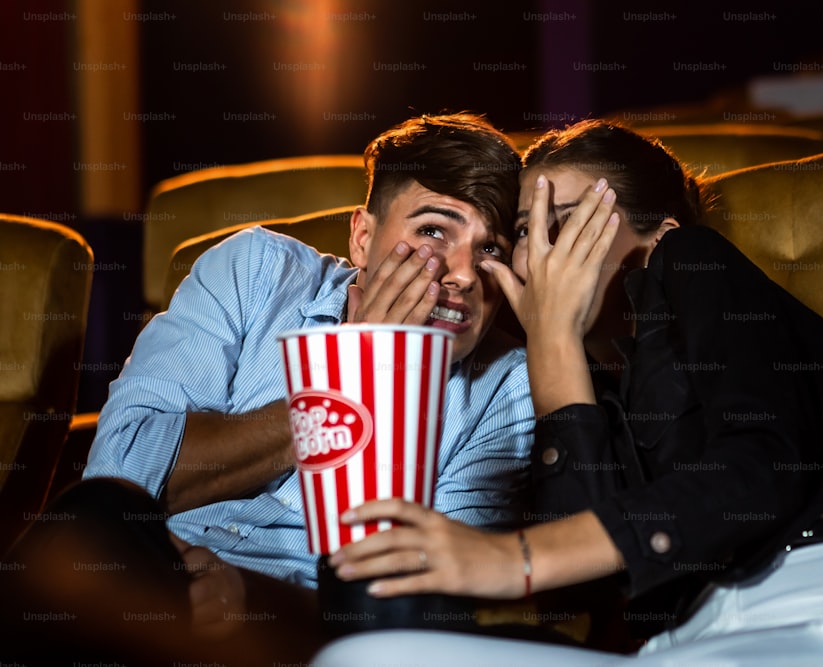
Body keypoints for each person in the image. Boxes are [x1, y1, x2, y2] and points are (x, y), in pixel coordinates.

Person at [315, 120, 823, 666]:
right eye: (524, 231)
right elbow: (580, 590)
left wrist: (508, 559)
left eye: (569, 221)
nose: (539, 253)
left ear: (658, 232)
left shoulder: (696, 263)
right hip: (694, 635)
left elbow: (762, 468)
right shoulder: (552, 367)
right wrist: (554, 350)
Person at [2, 113, 534, 663]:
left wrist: (244, 596)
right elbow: (121, 469)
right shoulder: (255, 270)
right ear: (363, 237)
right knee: (93, 520)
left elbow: (416, 605)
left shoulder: (507, 383)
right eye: (433, 231)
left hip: (297, 630)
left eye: (490, 249)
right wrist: (346, 377)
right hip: (143, 581)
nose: (465, 275)